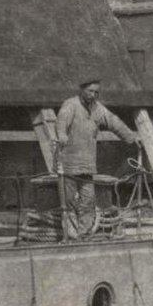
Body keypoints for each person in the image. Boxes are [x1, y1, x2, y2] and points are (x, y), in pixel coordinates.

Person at [54, 80, 138, 238]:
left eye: (96, 92)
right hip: (68, 164)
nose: (93, 95)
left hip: (87, 165)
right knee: (69, 202)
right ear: (82, 89)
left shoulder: (98, 109)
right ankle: (71, 236)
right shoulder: (70, 105)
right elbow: (61, 122)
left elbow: (114, 122)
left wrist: (131, 138)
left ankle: (84, 234)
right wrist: (62, 134)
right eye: (90, 91)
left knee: (88, 200)